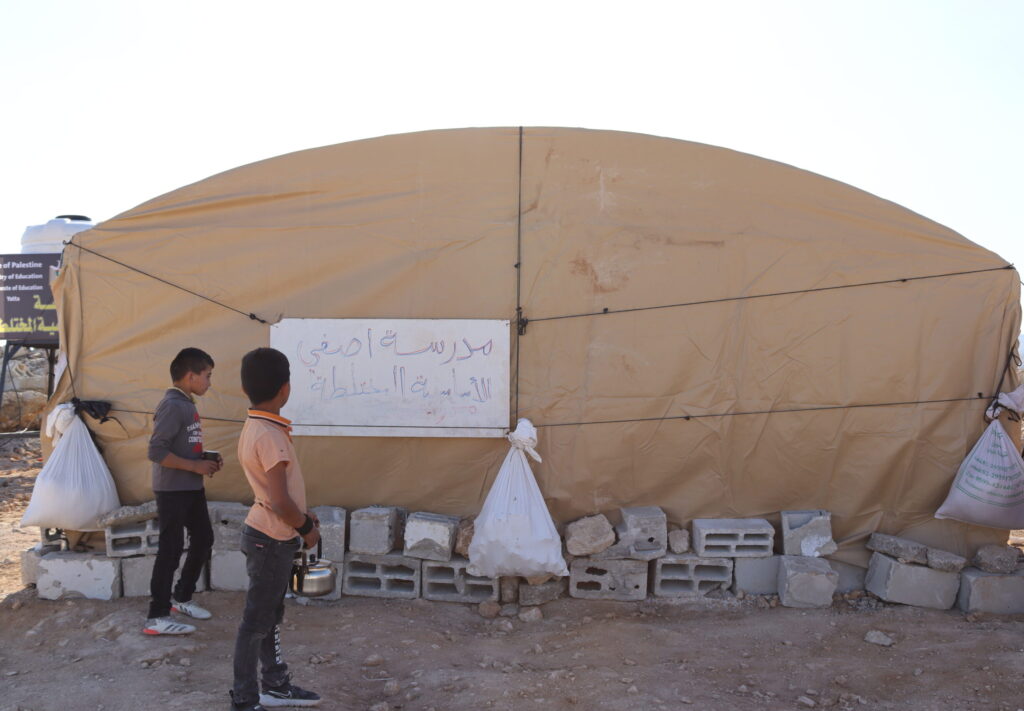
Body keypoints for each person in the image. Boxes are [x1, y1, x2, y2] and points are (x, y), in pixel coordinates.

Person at [231, 347, 321, 710]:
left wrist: (300, 516)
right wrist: (305, 527)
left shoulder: (259, 427)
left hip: (270, 534)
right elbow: (280, 500)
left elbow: (280, 496)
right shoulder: (269, 435)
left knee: (268, 617)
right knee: (256, 623)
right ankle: (246, 698)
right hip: (271, 538)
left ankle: (275, 684)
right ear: (285, 389)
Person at [144, 347, 222, 635]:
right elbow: (156, 451)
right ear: (190, 376)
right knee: (171, 549)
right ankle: (156, 616)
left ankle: (182, 597)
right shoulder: (172, 405)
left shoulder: (186, 404)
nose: (209, 382)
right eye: (207, 376)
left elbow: (183, 447)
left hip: (190, 487)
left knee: (203, 538)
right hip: (173, 490)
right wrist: (194, 466)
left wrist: (205, 461)